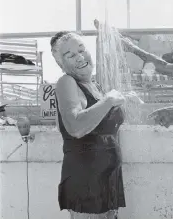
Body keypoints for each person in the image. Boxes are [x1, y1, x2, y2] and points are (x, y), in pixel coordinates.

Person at [50, 31, 142, 219]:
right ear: (61, 64)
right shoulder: (66, 82)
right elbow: (75, 127)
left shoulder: (96, 86)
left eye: (81, 50)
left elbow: (101, 123)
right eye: (71, 55)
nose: (80, 57)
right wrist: (109, 101)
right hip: (86, 187)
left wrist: (123, 100)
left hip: (108, 183)